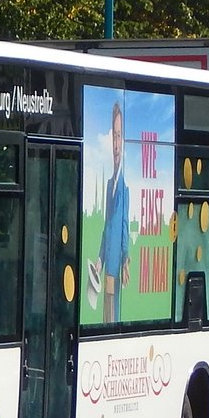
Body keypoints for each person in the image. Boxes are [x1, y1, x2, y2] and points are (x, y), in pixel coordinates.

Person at [97, 101, 130, 322]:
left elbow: (124, 227)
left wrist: (125, 258)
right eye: (114, 137)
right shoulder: (110, 184)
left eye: (119, 136)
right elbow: (107, 226)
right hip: (107, 267)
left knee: (112, 319)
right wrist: (100, 258)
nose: (116, 144)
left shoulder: (124, 188)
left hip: (116, 271)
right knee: (105, 318)